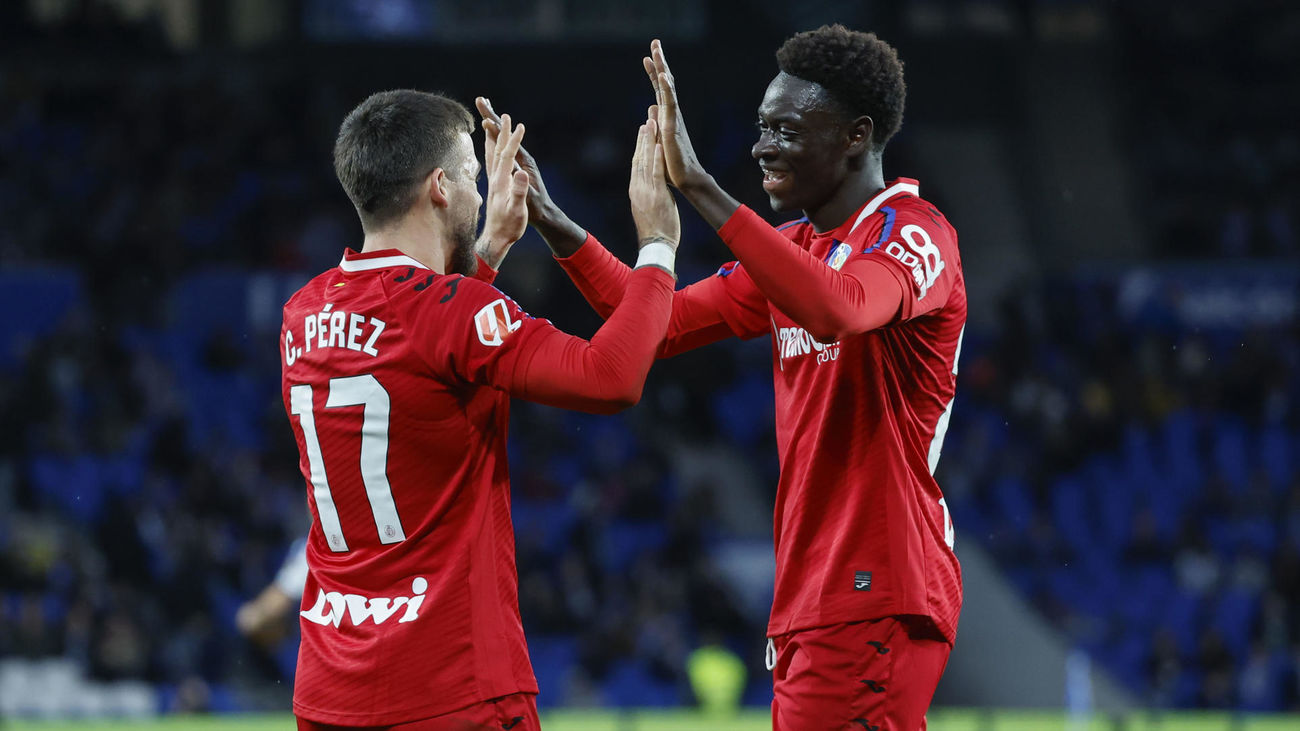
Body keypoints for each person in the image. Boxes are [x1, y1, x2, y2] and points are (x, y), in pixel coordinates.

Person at [482, 25, 965, 730]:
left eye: (786, 130)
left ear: (856, 135)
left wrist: (699, 189)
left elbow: (841, 308)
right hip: (816, 592)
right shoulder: (797, 250)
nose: (763, 147)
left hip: (877, 584)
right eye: (762, 128)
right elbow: (656, 321)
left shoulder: (913, 230)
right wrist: (553, 221)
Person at [280, 89, 680, 730]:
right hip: (451, 683)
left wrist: (486, 254)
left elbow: (417, 360)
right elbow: (612, 377)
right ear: (440, 187)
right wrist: (658, 244)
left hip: (332, 689)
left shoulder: (303, 312)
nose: (481, 191)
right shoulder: (450, 314)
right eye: (472, 175)